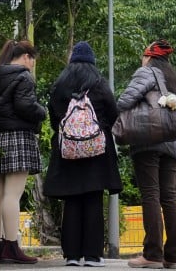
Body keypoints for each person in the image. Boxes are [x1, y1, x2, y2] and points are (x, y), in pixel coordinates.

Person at [43, 41, 123, 267]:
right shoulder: (99, 83)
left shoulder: (60, 84)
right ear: (92, 62)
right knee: (93, 201)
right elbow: (113, 112)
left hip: (68, 151)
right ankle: (92, 256)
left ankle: (71, 256)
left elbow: (54, 117)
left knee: (72, 201)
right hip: (97, 152)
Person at [116, 39, 176, 269]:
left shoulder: (146, 72)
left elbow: (125, 100)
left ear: (148, 57)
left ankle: (153, 254)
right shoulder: (174, 80)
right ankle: (173, 256)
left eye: (143, 55)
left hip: (148, 141)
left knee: (151, 194)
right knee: (169, 197)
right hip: (172, 144)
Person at [0, 39, 47, 264]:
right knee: (12, 194)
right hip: (17, 136)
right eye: (33, 61)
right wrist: (42, 111)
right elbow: (24, 106)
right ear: (27, 57)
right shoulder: (23, 76)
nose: (32, 66)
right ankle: (12, 247)